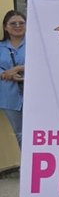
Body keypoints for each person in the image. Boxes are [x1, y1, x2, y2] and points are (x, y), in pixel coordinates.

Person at [0, 8, 27, 143]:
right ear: (5, 27)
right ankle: (27, 163)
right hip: (9, 98)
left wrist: (18, 68)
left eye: (21, 23)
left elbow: (44, 64)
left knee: (37, 131)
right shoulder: (0, 47)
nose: (18, 26)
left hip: (35, 95)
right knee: (20, 134)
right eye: (13, 23)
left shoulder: (36, 44)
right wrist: (5, 74)